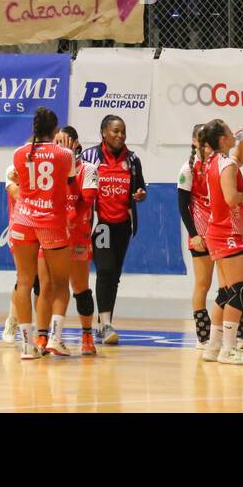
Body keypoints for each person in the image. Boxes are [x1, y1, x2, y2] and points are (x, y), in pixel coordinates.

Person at [8, 107, 76, 361]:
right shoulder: (65, 154)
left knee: (24, 281)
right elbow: (69, 179)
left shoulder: (19, 153)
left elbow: (18, 177)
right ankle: (55, 340)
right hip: (51, 220)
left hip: (24, 219)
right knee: (60, 283)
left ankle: (27, 346)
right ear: (55, 130)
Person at [80, 116, 147, 345]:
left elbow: (140, 188)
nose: (120, 135)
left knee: (114, 276)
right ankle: (106, 325)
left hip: (123, 226)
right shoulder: (89, 158)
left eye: (123, 132)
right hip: (102, 224)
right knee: (105, 270)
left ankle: (103, 322)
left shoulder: (133, 159)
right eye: (116, 131)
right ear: (103, 133)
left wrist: (139, 195)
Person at [33, 126, 98, 357]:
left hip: (77, 234)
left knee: (80, 288)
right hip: (51, 232)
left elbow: (85, 203)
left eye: (63, 141)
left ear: (75, 143)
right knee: (45, 286)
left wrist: (67, 221)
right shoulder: (48, 169)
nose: (58, 146)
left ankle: (87, 336)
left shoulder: (88, 169)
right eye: (56, 141)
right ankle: (43, 338)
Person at [198, 119, 243, 366]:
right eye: (230, 132)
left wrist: (242, 139)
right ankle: (229, 349)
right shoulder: (226, 164)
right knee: (241, 290)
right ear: (223, 139)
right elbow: (231, 198)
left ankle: (213, 347)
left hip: (217, 232)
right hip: (228, 233)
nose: (233, 133)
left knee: (226, 292)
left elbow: (238, 160)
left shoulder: (213, 161)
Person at [177, 124, 218, 351]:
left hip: (221, 231)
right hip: (201, 234)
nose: (207, 143)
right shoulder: (188, 169)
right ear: (194, 141)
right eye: (201, 138)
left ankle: (235, 334)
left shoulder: (218, 165)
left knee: (230, 284)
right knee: (203, 283)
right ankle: (202, 336)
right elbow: (182, 206)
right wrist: (194, 235)